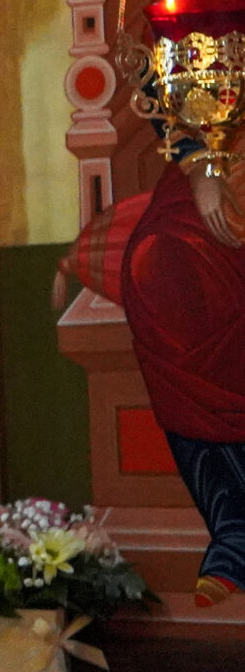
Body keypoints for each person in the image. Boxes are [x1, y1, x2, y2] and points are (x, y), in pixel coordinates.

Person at [123, 151, 245, 606]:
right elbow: (173, 110)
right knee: (161, 267)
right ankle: (233, 528)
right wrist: (203, 167)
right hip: (210, 162)